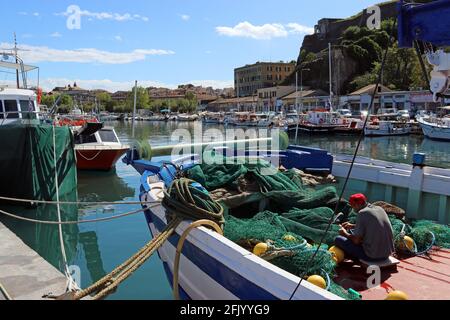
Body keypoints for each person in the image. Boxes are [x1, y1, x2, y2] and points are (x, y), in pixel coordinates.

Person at [335, 193, 395, 262]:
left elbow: (356, 241)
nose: (353, 209)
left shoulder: (362, 213)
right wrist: (353, 225)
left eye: (353, 206)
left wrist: (344, 233)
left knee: (338, 239)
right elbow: (374, 225)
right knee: (353, 232)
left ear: (358, 204)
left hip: (373, 257)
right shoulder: (379, 208)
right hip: (387, 254)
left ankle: (355, 259)